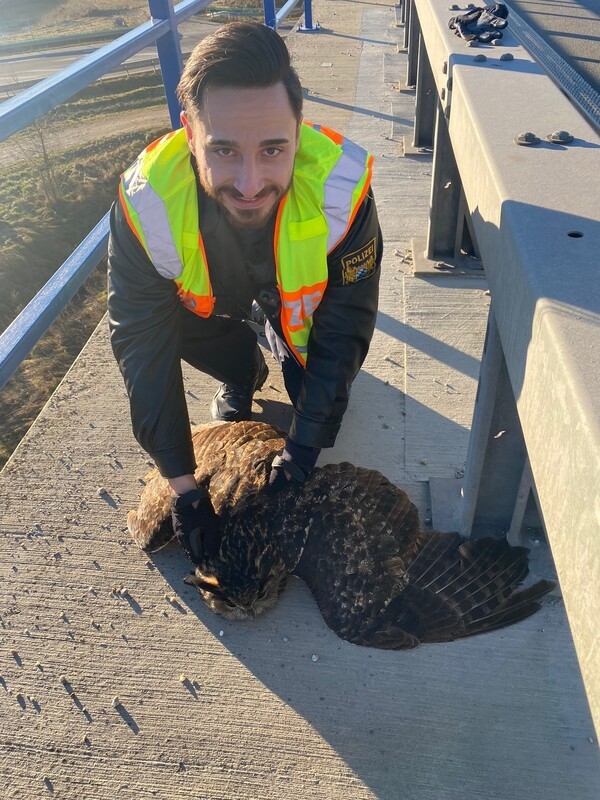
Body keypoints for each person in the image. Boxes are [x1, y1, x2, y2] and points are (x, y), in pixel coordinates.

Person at [107, 22, 382, 564]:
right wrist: (183, 487)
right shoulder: (148, 206)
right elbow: (140, 343)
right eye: (225, 150)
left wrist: (303, 449)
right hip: (211, 300)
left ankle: (282, 347)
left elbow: (345, 325)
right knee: (172, 328)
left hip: (299, 303)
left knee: (320, 407)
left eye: (273, 148)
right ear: (189, 133)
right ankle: (244, 370)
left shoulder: (341, 196)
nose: (251, 182)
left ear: (299, 133)